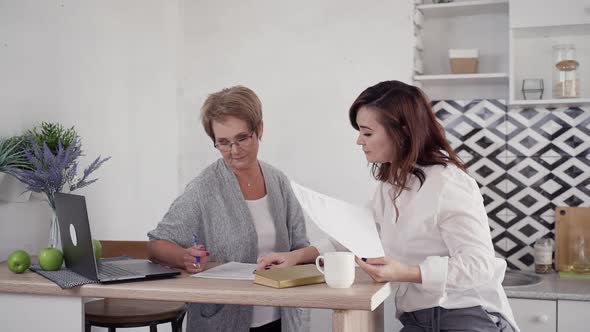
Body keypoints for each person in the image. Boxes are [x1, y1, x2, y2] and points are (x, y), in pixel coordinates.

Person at [258, 80, 519, 332]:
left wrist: (407, 272)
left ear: (402, 131)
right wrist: (296, 257)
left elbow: (480, 264)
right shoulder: (390, 186)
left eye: (367, 132)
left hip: (466, 315)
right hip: (416, 320)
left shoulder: (449, 184)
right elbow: (356, 234)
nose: (359, 141)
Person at [147, 86, 317, 332]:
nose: (234, 151)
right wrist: (183, 257)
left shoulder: (278, 181)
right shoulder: (204, 187)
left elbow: (301, 248)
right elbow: (156, 245)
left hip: (281, 319)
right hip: (222, 321)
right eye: (224, 143)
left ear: (259, 129)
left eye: (242, 138)